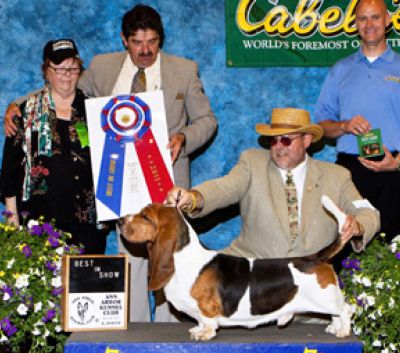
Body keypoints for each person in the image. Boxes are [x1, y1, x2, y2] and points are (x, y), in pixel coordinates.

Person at [3, 5, 217, 322]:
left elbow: (207, 120)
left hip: (166, 185)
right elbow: (63, 84)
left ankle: (171, 334)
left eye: (152, 41)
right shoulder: (103, 67)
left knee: (171, 263)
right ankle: (135, 333)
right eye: (137, 42)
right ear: (124, 40)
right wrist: (17, 105)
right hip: (119, 186)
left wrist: (184, 138)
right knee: (130, 264)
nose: (145, 50)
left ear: (161, 39)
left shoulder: (184, 70)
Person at [167, 108, 380, 261]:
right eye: (273, 140)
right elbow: (223, 188)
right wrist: (192, 197)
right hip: (253, 279)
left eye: (286, 140)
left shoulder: (337, 176)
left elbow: (368, 212)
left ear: (306, 140)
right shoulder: (252, 163)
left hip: (311, 285)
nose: (278, 147)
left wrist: (359, 226)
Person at [0, 39, 108, 254]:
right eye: (59, 68)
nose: (66, 74)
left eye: (72, 68)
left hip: (87, 222)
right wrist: (12, 219)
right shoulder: (25, 112)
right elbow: (9, 169)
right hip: (39, 222)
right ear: (46, 71)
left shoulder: (97, 110)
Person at [315, 0, 400, 241]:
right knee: (348, 242)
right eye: (363, 18)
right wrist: (343, 125)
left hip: (394, 170)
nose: (369, 24)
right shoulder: (340, 69)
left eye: (375, 17)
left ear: (387, 20)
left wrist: (397, 163)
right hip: (349, 173)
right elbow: (321, 126)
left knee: (394, 246)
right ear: (355, 24)